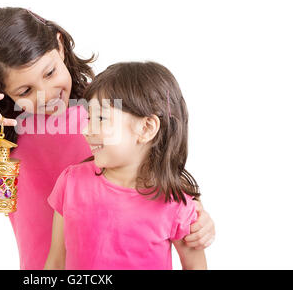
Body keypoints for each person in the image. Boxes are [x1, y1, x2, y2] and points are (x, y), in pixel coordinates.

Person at [0, 7, 215, 269]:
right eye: (25, 91)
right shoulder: (4, 126)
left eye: (49, 73)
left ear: (60, 45)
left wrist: (194, 215)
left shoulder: (103, 107)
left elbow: (154, 158)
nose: (46, 95)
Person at [45, 62, 207, 269]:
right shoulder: (70, 183)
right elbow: (56, 262)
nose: (86, 130)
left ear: (146, 127)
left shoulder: (175, 203)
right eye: (89, 117)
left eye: (101, 118)